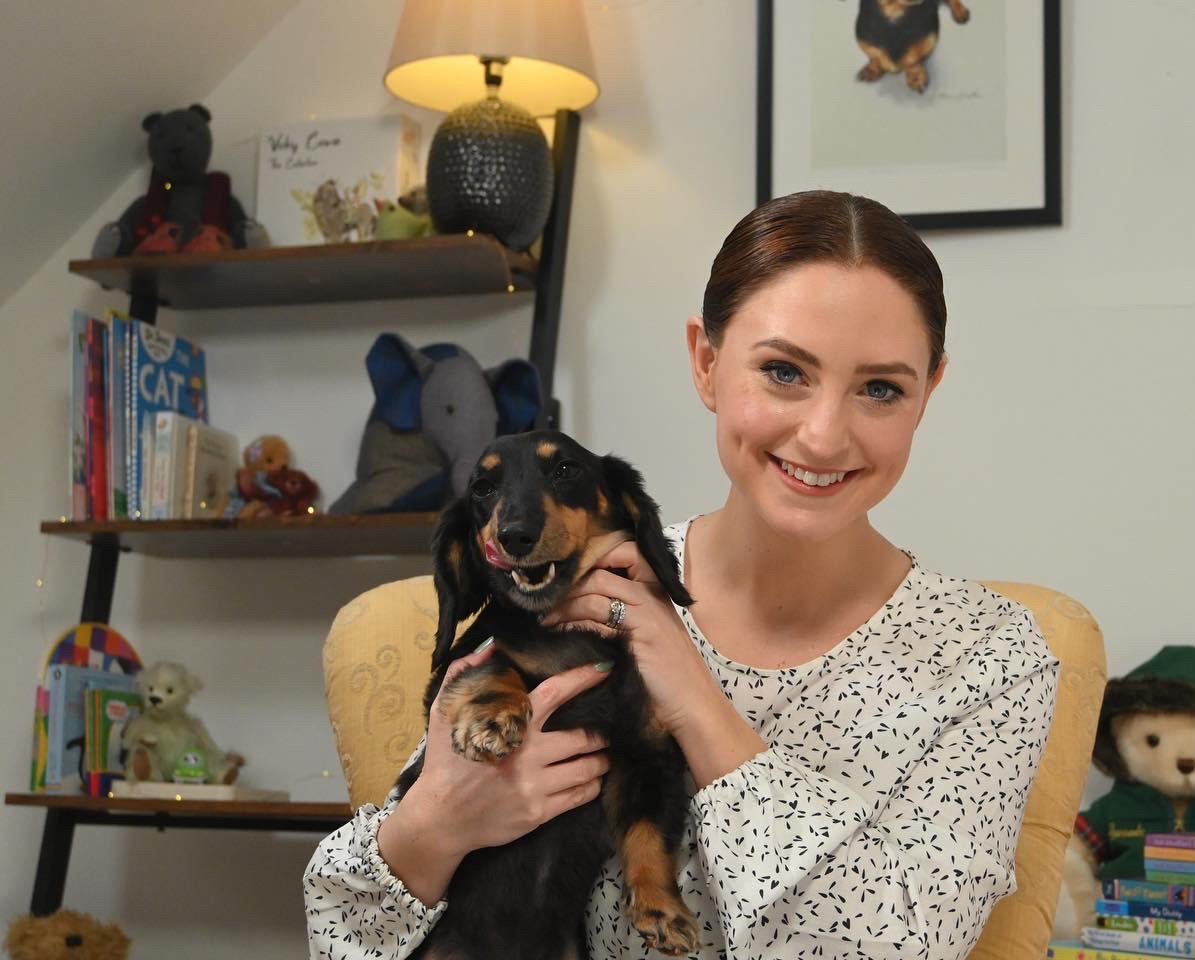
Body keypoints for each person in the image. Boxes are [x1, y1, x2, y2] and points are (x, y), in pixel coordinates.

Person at [304, 190, 1060, 959]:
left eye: (880, 389)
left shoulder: (992, 659)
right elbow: (341, 935)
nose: (825, 435)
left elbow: (893, 949)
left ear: (928, 391)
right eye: (784, 372)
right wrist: (433, 827)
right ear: (706, 362)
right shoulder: (576, 580)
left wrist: (694, 695)